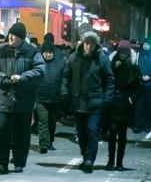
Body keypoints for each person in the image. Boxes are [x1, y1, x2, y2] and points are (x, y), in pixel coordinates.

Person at [0, 22, 45, 174]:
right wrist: (3, 79)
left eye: (15, 35)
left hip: (24, 101)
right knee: (3, 133)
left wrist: (23, 77)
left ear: (22, 38)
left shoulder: (32, 52)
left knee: (22, 134)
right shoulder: (1, 50)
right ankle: (0, 162)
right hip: (5, 99)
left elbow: (40, 70)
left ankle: (19, 161)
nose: (11, 37)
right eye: (10, 34)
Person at [63, 31, 114, 173]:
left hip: (95, 102)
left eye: (91, 43)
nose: (88, 46)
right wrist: (65, 94)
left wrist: (107, 99)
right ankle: (85, 155)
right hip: (78, 102)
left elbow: (109, 80)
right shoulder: (74, 58)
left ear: (95, 45)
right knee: (81, 132)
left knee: (92, 130)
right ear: (82, 43)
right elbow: (66, 77)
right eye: (86, 43)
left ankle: (90, 159)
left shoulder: (102, 60)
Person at [105, 40, 141, 170]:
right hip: (113, 105)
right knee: (112, 133)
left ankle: (119, 162)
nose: (123, 54)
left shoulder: (133, 68)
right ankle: (110, 161)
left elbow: (139, 88)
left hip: (126, 106)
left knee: (122, 135)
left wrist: (131, 100)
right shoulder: (111, 65)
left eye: (125, 52)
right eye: (121, 51)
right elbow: (106, 82)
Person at [35, 41, 67, 153]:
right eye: (46, 52)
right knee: (43, 121)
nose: (48, 55)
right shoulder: (37, 63)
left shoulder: (60, 64)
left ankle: (50, 141)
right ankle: (44, 144)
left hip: (55, 98)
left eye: (50, 52)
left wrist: (63, 93)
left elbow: (64, 79)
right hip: (41, 98)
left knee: (52, 122)